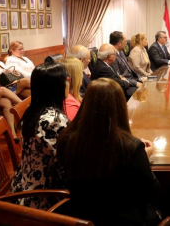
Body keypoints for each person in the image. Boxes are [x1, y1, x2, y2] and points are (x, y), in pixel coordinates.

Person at [57, 78, 160, 225]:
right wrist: (143, 156)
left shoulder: (65, 138)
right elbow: (152, 191)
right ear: (120, 106)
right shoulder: (131, 147)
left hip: (81, 216)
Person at [10, 62, 69, 209]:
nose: (68, 83)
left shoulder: (34, 110)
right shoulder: (52, 121)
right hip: (41, 197)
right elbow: (66, 163)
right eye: (65, 80)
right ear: (56, 87)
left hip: (25, 184)